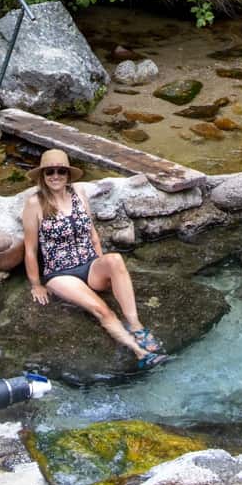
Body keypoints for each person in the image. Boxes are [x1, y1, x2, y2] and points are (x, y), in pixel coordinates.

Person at [21, 148, 167, 368]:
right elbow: (30, 248)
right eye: (49, 172)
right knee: (102, 309)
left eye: (61, 171)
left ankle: (136, 325)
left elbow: (92, 233)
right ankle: (139, 352)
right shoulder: (35, 203)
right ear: (42, 176)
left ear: (68, 174)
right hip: (61, 273)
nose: (55, 176)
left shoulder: (78, 194)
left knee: (115, 259)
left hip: (89, 265)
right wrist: (36, 284)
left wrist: (101, 265)